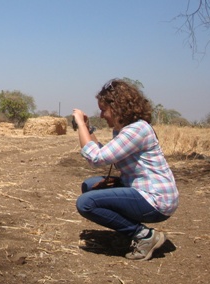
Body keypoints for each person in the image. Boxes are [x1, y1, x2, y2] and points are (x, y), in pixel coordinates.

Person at [72, 79, 179, 261]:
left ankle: (143, 235)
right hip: (141, 189)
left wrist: (81, 126)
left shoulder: (137, 130)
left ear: (118, 107)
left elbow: (96, 158)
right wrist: (88, 128)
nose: (102, 114)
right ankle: (128, 231)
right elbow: (103, 152)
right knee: (90, 186)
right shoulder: (125, 130)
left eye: (104, 109)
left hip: (156, 199)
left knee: (86, 203)